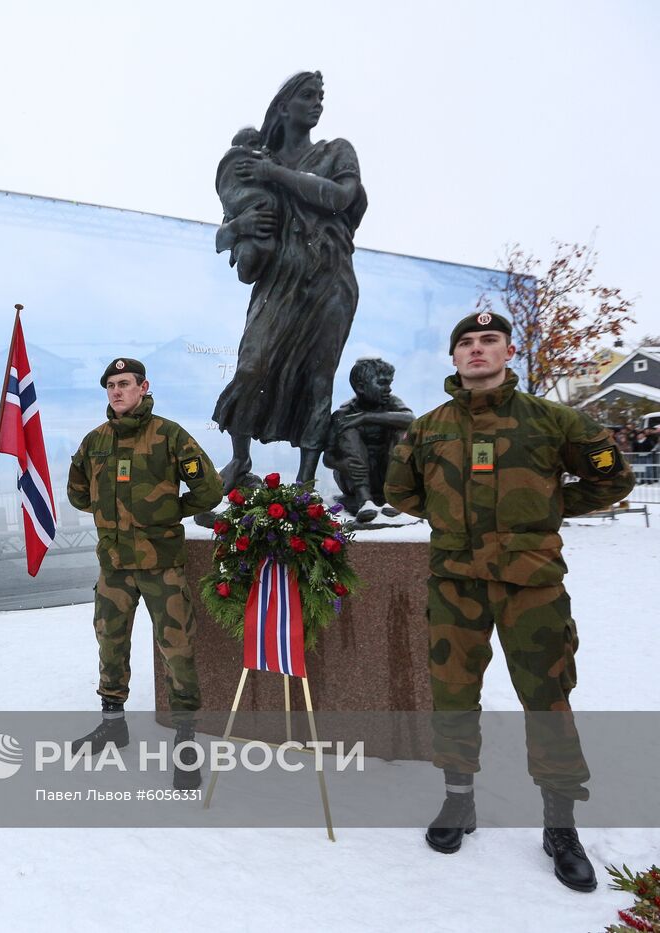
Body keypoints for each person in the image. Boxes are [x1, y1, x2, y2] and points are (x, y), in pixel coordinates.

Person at [384, 312, 634, 892]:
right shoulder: (427, 429)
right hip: (454, 582)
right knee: (452, 693)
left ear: (508, 349)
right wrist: (455, 522)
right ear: (453, 358)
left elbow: (611, 479)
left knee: (547, 697)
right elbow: (399, 490)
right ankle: (458, 802)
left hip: (533, 583)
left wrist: (544, 509)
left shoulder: (554, 420)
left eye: (488, 341)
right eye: (466, 343)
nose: (477, 350)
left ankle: (560, 825)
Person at [66, 358, 223, 789]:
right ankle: (112, 723)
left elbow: (210, 489)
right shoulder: (95, 441)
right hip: (114, 568)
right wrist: (111, 517)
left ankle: (186, 741)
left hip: (161, 566)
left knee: (177, 648)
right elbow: (77, 491)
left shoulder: (169, 435)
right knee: (110, 641)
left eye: (124, 384)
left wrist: (170, 511)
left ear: (143, 387)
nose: (116, 392)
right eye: (111, 386)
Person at [212, 70, 368, 491]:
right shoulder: (251, 161)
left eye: (321, 95)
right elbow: (224, 234)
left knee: (320, 378)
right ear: (283, 106)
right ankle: (240, 460)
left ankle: (304, 481)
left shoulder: (336, 151)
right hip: (278, 282)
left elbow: (339, 198)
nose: (317, 102)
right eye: (307, 96)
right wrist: (240, 223)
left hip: (330, 279)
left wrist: (275, 175)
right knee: (252, 365)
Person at [324, 357, 414, 522]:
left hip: (387, 473)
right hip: (354, 480)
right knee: (348, 429)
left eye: (389, 383)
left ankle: (393, 496)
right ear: (361, 387)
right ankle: (364, 500)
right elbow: (327, 458)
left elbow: (410, 420)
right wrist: (342, 465)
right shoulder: (343, 413)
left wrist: (366, 417)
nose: (388, 389)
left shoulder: (392, 403)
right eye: (382, 383)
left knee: (401, 431)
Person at [214, 126, 276, 284]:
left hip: (280, 255)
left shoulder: (275, 174)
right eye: (254, 144)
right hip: (252, 243)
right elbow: (219, 242)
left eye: (260, 145)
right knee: (248, 258)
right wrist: (239, 225)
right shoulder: (238, 168)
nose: (259, 149)